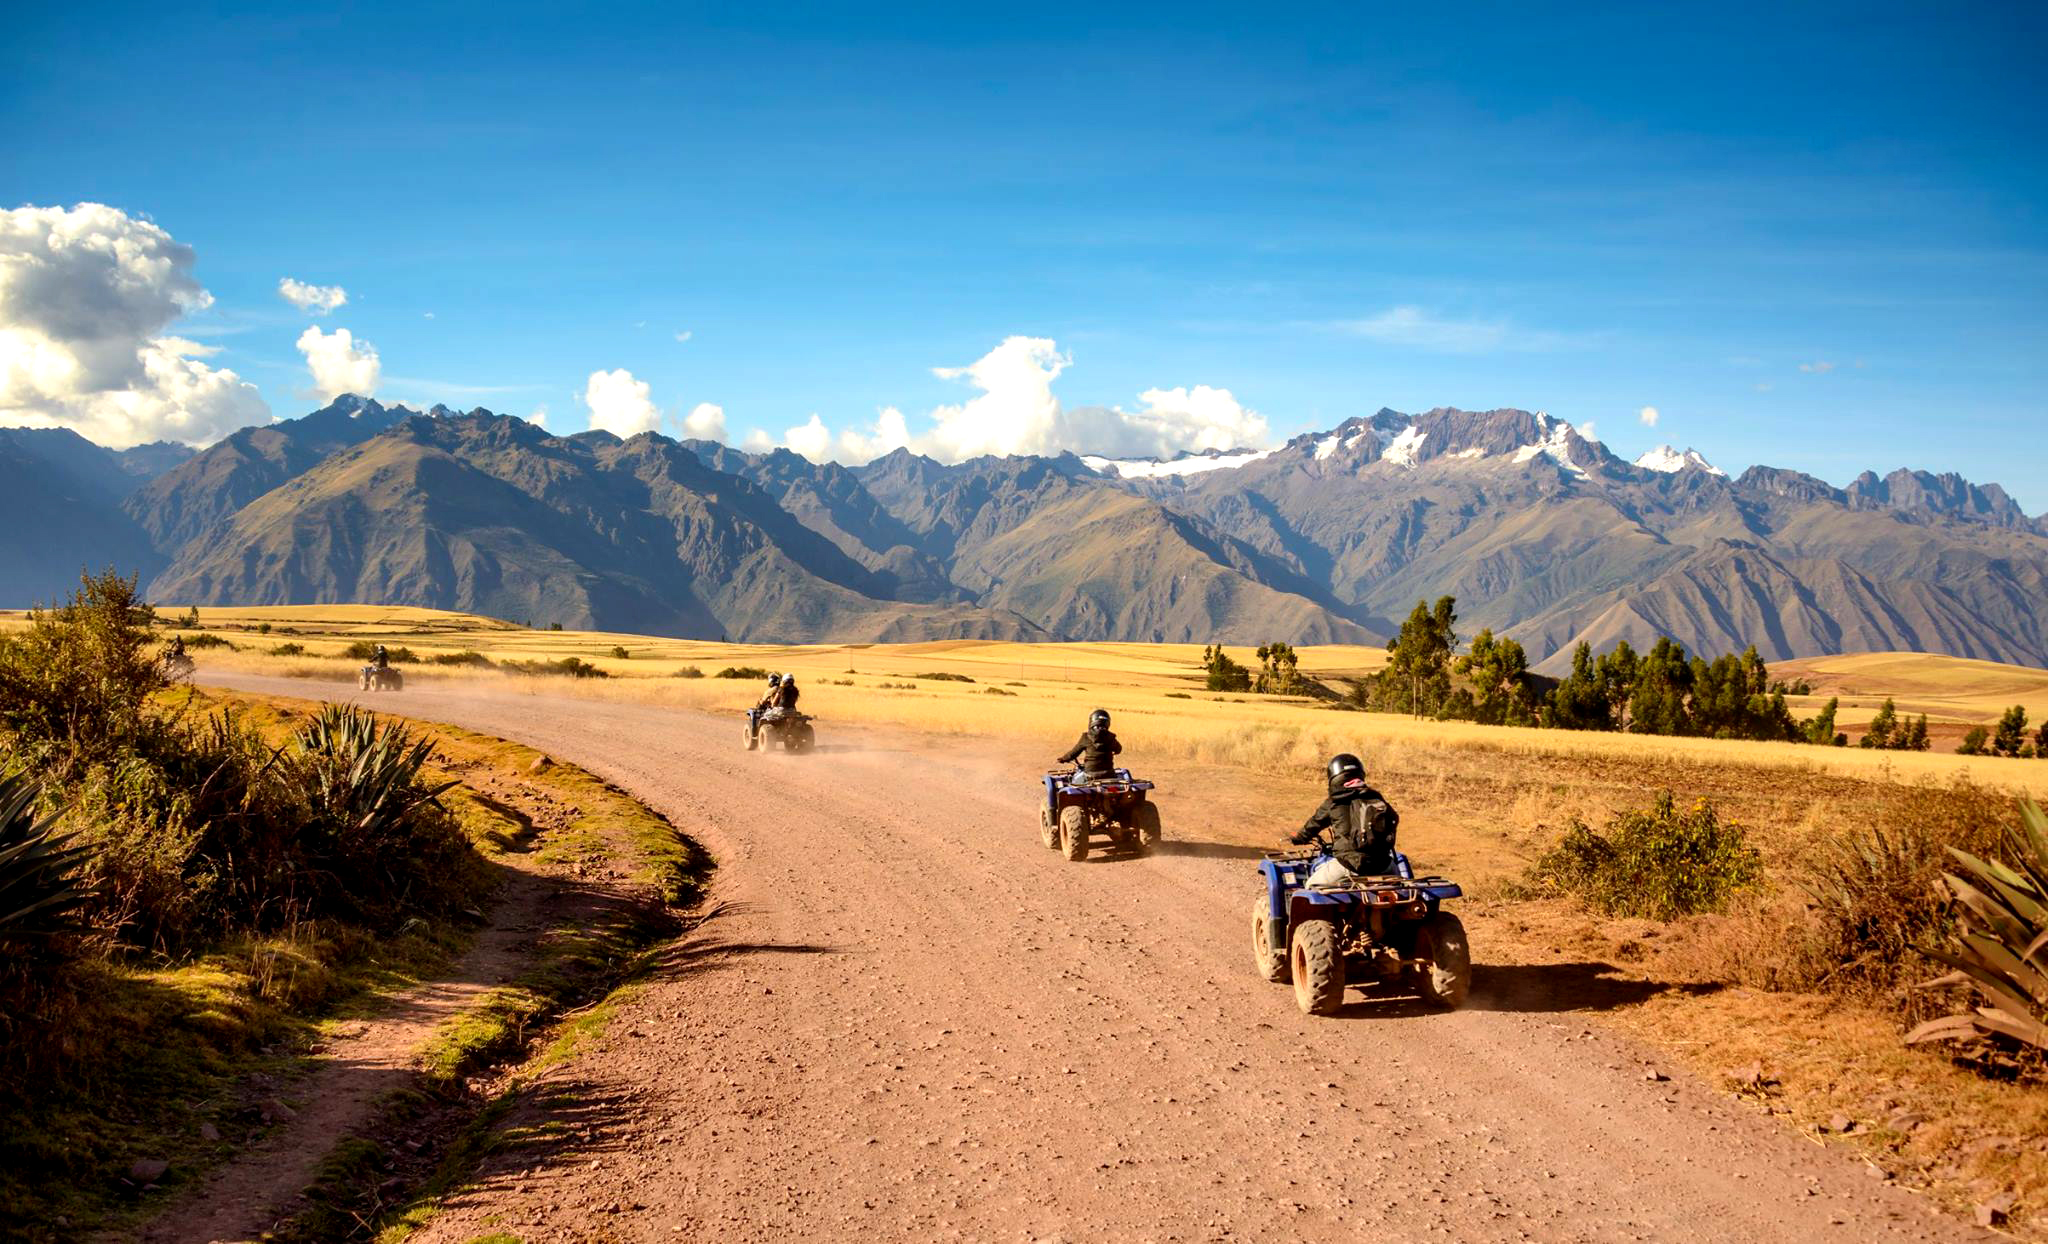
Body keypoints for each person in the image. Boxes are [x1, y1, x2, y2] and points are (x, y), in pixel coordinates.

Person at [1288, 753, 1400, 889]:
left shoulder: (1334, 802)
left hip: (1348, 865)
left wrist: (1299, 838)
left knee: (1310, 886)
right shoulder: (1375, 797)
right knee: (1402, 886)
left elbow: (1314, 824)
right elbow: (1393, 820)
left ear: (1334, 777)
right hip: (1383, 864)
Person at [1056, 708, 1121, 780]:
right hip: (1109, 774)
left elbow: (1073, 753)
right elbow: (1119, 749)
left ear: (1091, 722)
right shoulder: (1111, 737)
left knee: (1073, 780)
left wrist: (1063, 759)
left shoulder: (1086, 737)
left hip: (1090, 774)